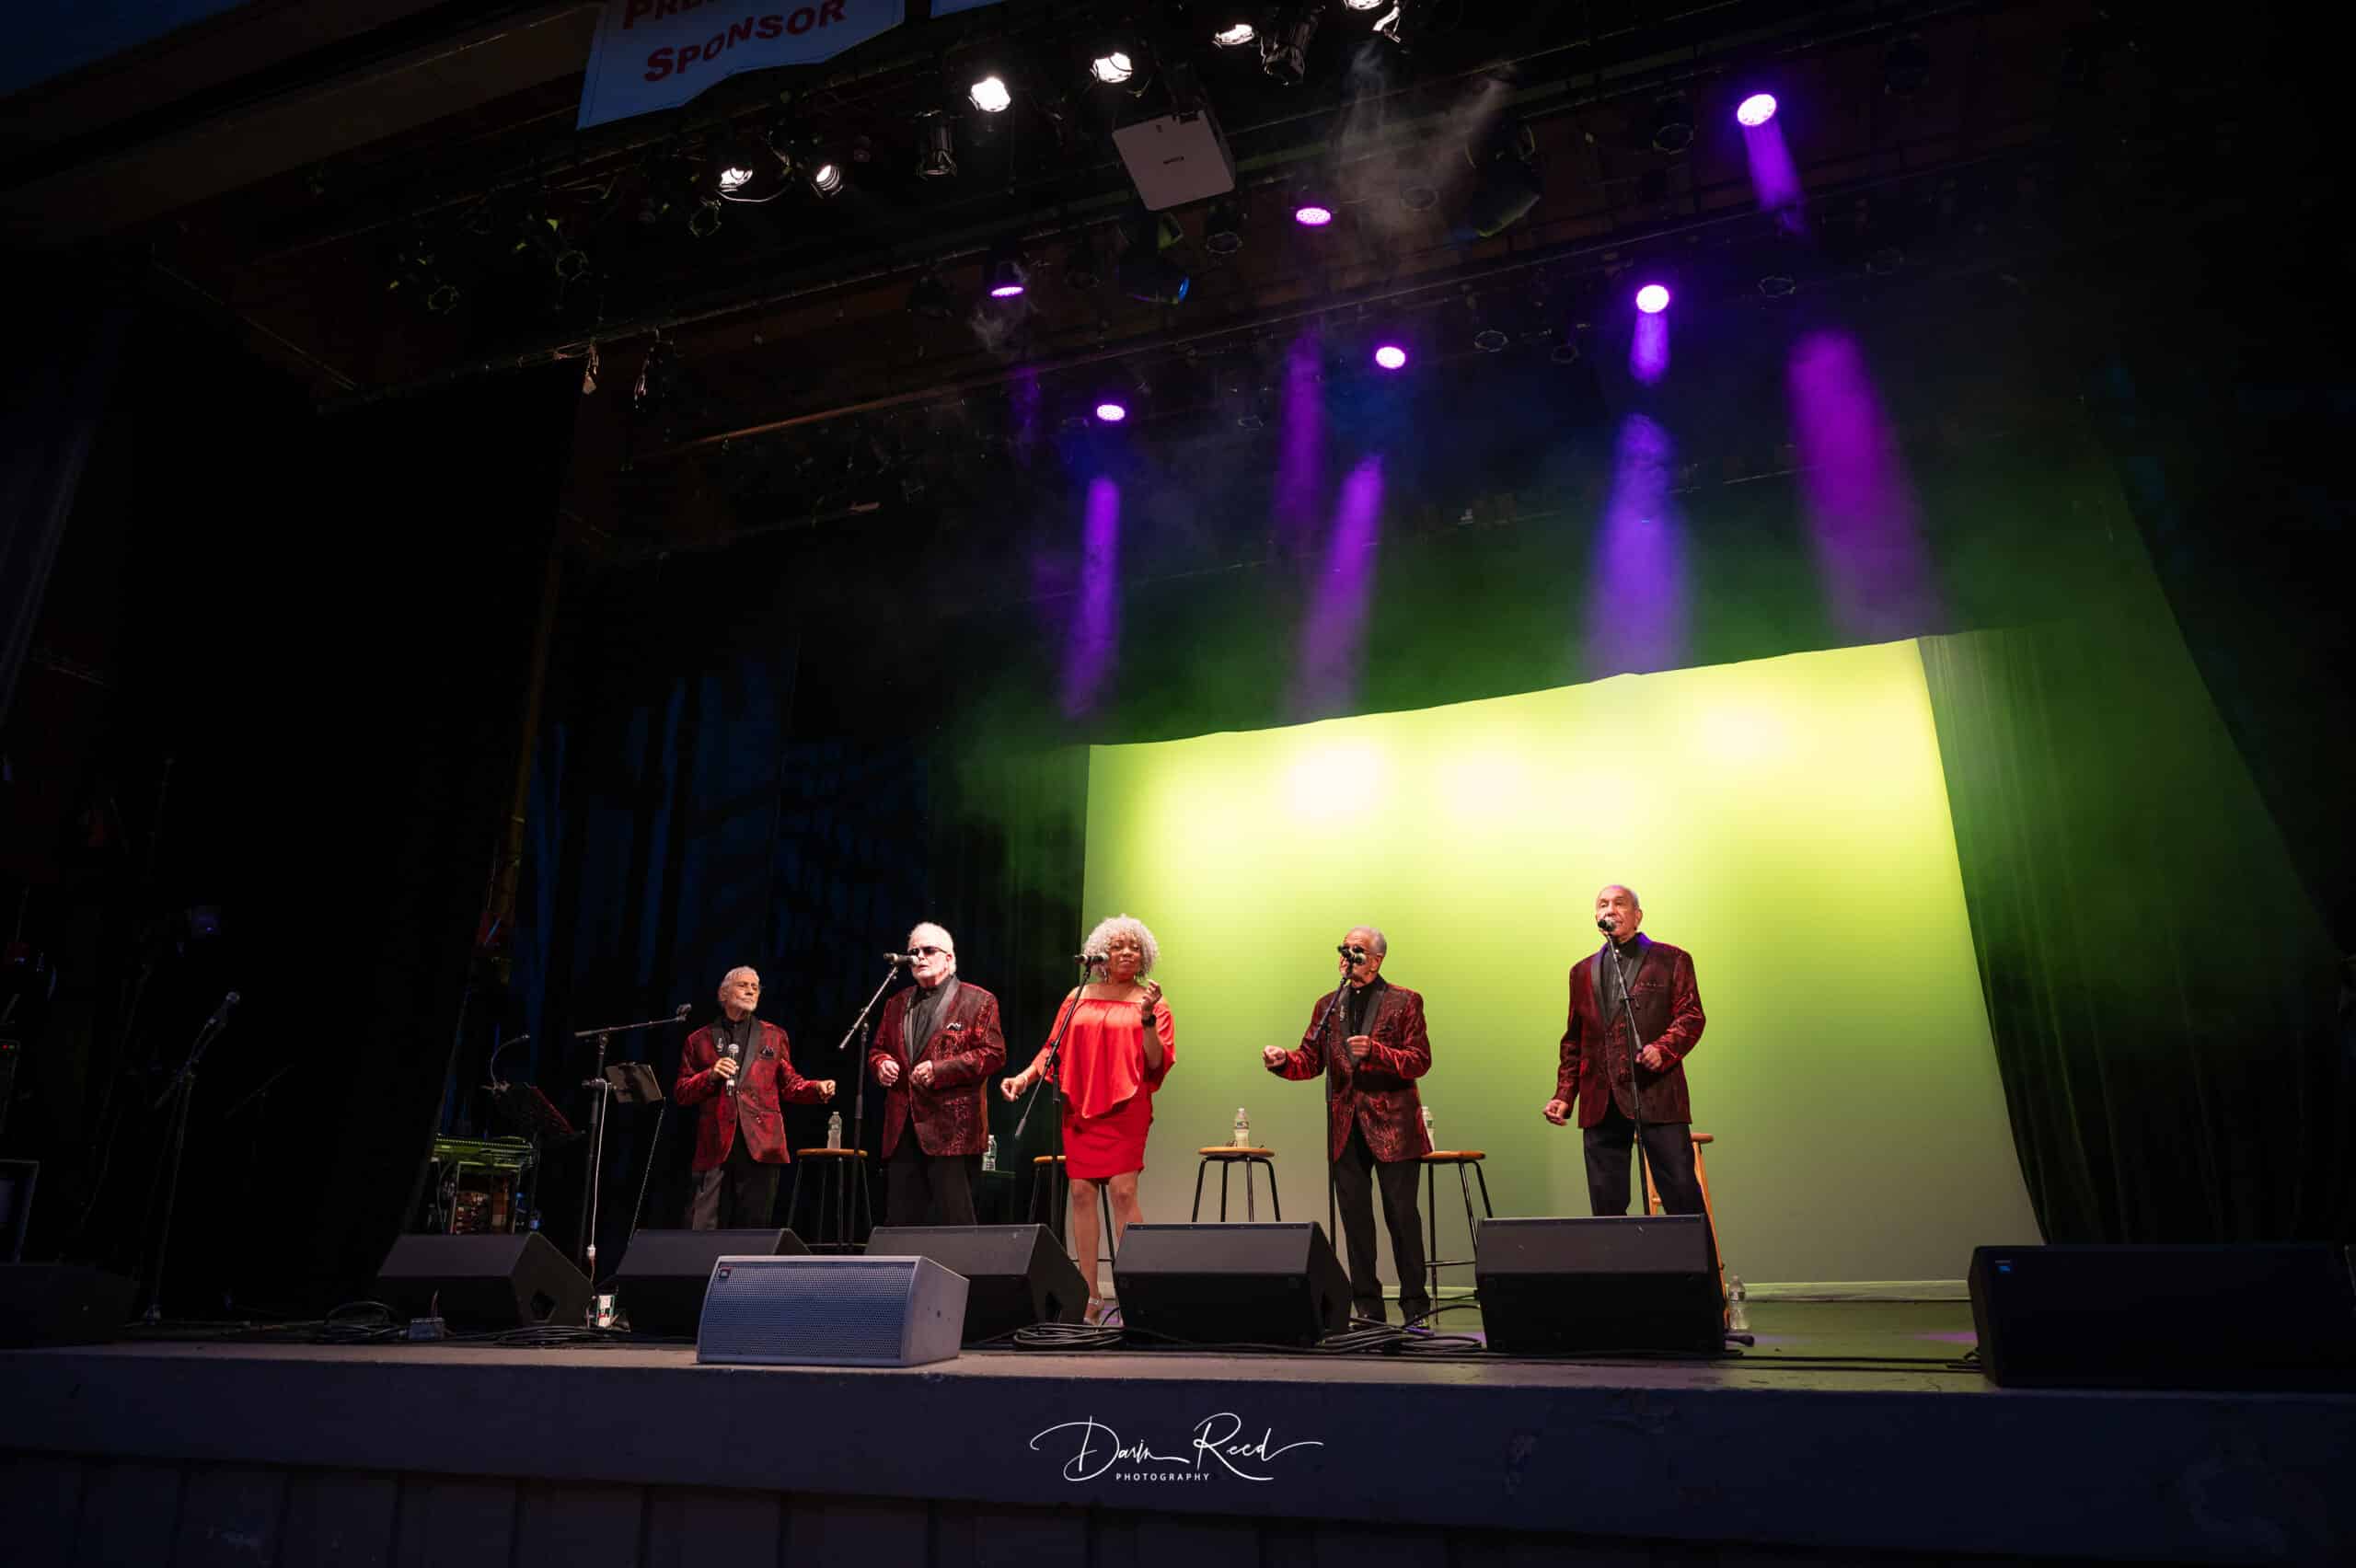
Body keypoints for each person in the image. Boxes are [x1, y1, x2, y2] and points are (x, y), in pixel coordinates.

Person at [1000, 914, 1174, 1320]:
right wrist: (1024, 1078)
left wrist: (1147, 1018)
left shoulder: (1152, 1001)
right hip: (1080, 1105)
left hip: (1127, 1107)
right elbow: (1053, 1048)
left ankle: (1136, 1296)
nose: (1127, 952)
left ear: (1145, 955)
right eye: (1117, 946)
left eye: (1134, 947)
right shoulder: (1077, 996)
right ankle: (1091, 1297)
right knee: (1080, 1193)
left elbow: (1155, 1061)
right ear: (1100, 954)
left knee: (1123, 1193)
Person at [1262, 926, 1431, 1325]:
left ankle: (1415, 1308)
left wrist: (1377, 1052)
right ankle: (1368, 1309)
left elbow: (1419, 1060)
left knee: (1401, 1218)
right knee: (1355, 1222)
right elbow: (1310, 1059)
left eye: (1358, 951)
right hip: (1345, 1126)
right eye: (1345, 949)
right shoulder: (1328, 1005)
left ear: (1376, 960)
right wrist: (1283, 1060)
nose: (1348, 957)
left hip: (1394, 1128)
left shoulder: (1405, 1001)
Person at [1543, 884, 1707, 1216]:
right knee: (1607, 1204)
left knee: (1681, 1194)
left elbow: (1691, 1016)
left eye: (1620, 904)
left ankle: (1695, 1255)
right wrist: (1564, 1094)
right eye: (1603, 904)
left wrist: (1663, 1049)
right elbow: (1574, 1039)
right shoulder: (1581, 971)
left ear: (1637, 915)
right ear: (1596, 916)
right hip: (1600, 1098)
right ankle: (1617, 1255)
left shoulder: (1671, 959)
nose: (1610, 910)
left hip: (1655, 1092)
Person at [676, 965, 835, 1229]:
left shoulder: (774, 1035)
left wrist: (816, 1088)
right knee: (703, 1227)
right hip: (715, 1145)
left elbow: (790, 1084)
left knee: (753, 1230)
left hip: (761, 1145)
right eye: (743, 985)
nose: (751, 990)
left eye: (755, 987)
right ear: (724, 994)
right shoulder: (699, 1040)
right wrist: (710, 1075)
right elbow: (682, 1092)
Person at [869, 922, 1005, 1226]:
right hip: (903, 1127)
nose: (919, 957)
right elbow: (877, 1049)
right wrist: (881, 1064)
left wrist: (940, 1069)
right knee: (900, 1224)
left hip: (953, 1131)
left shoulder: (978, 1001)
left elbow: (993, 1054)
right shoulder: (896, 1003)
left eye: (928, 950)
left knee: (954, 1225)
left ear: (948, 957)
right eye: (913, 952)